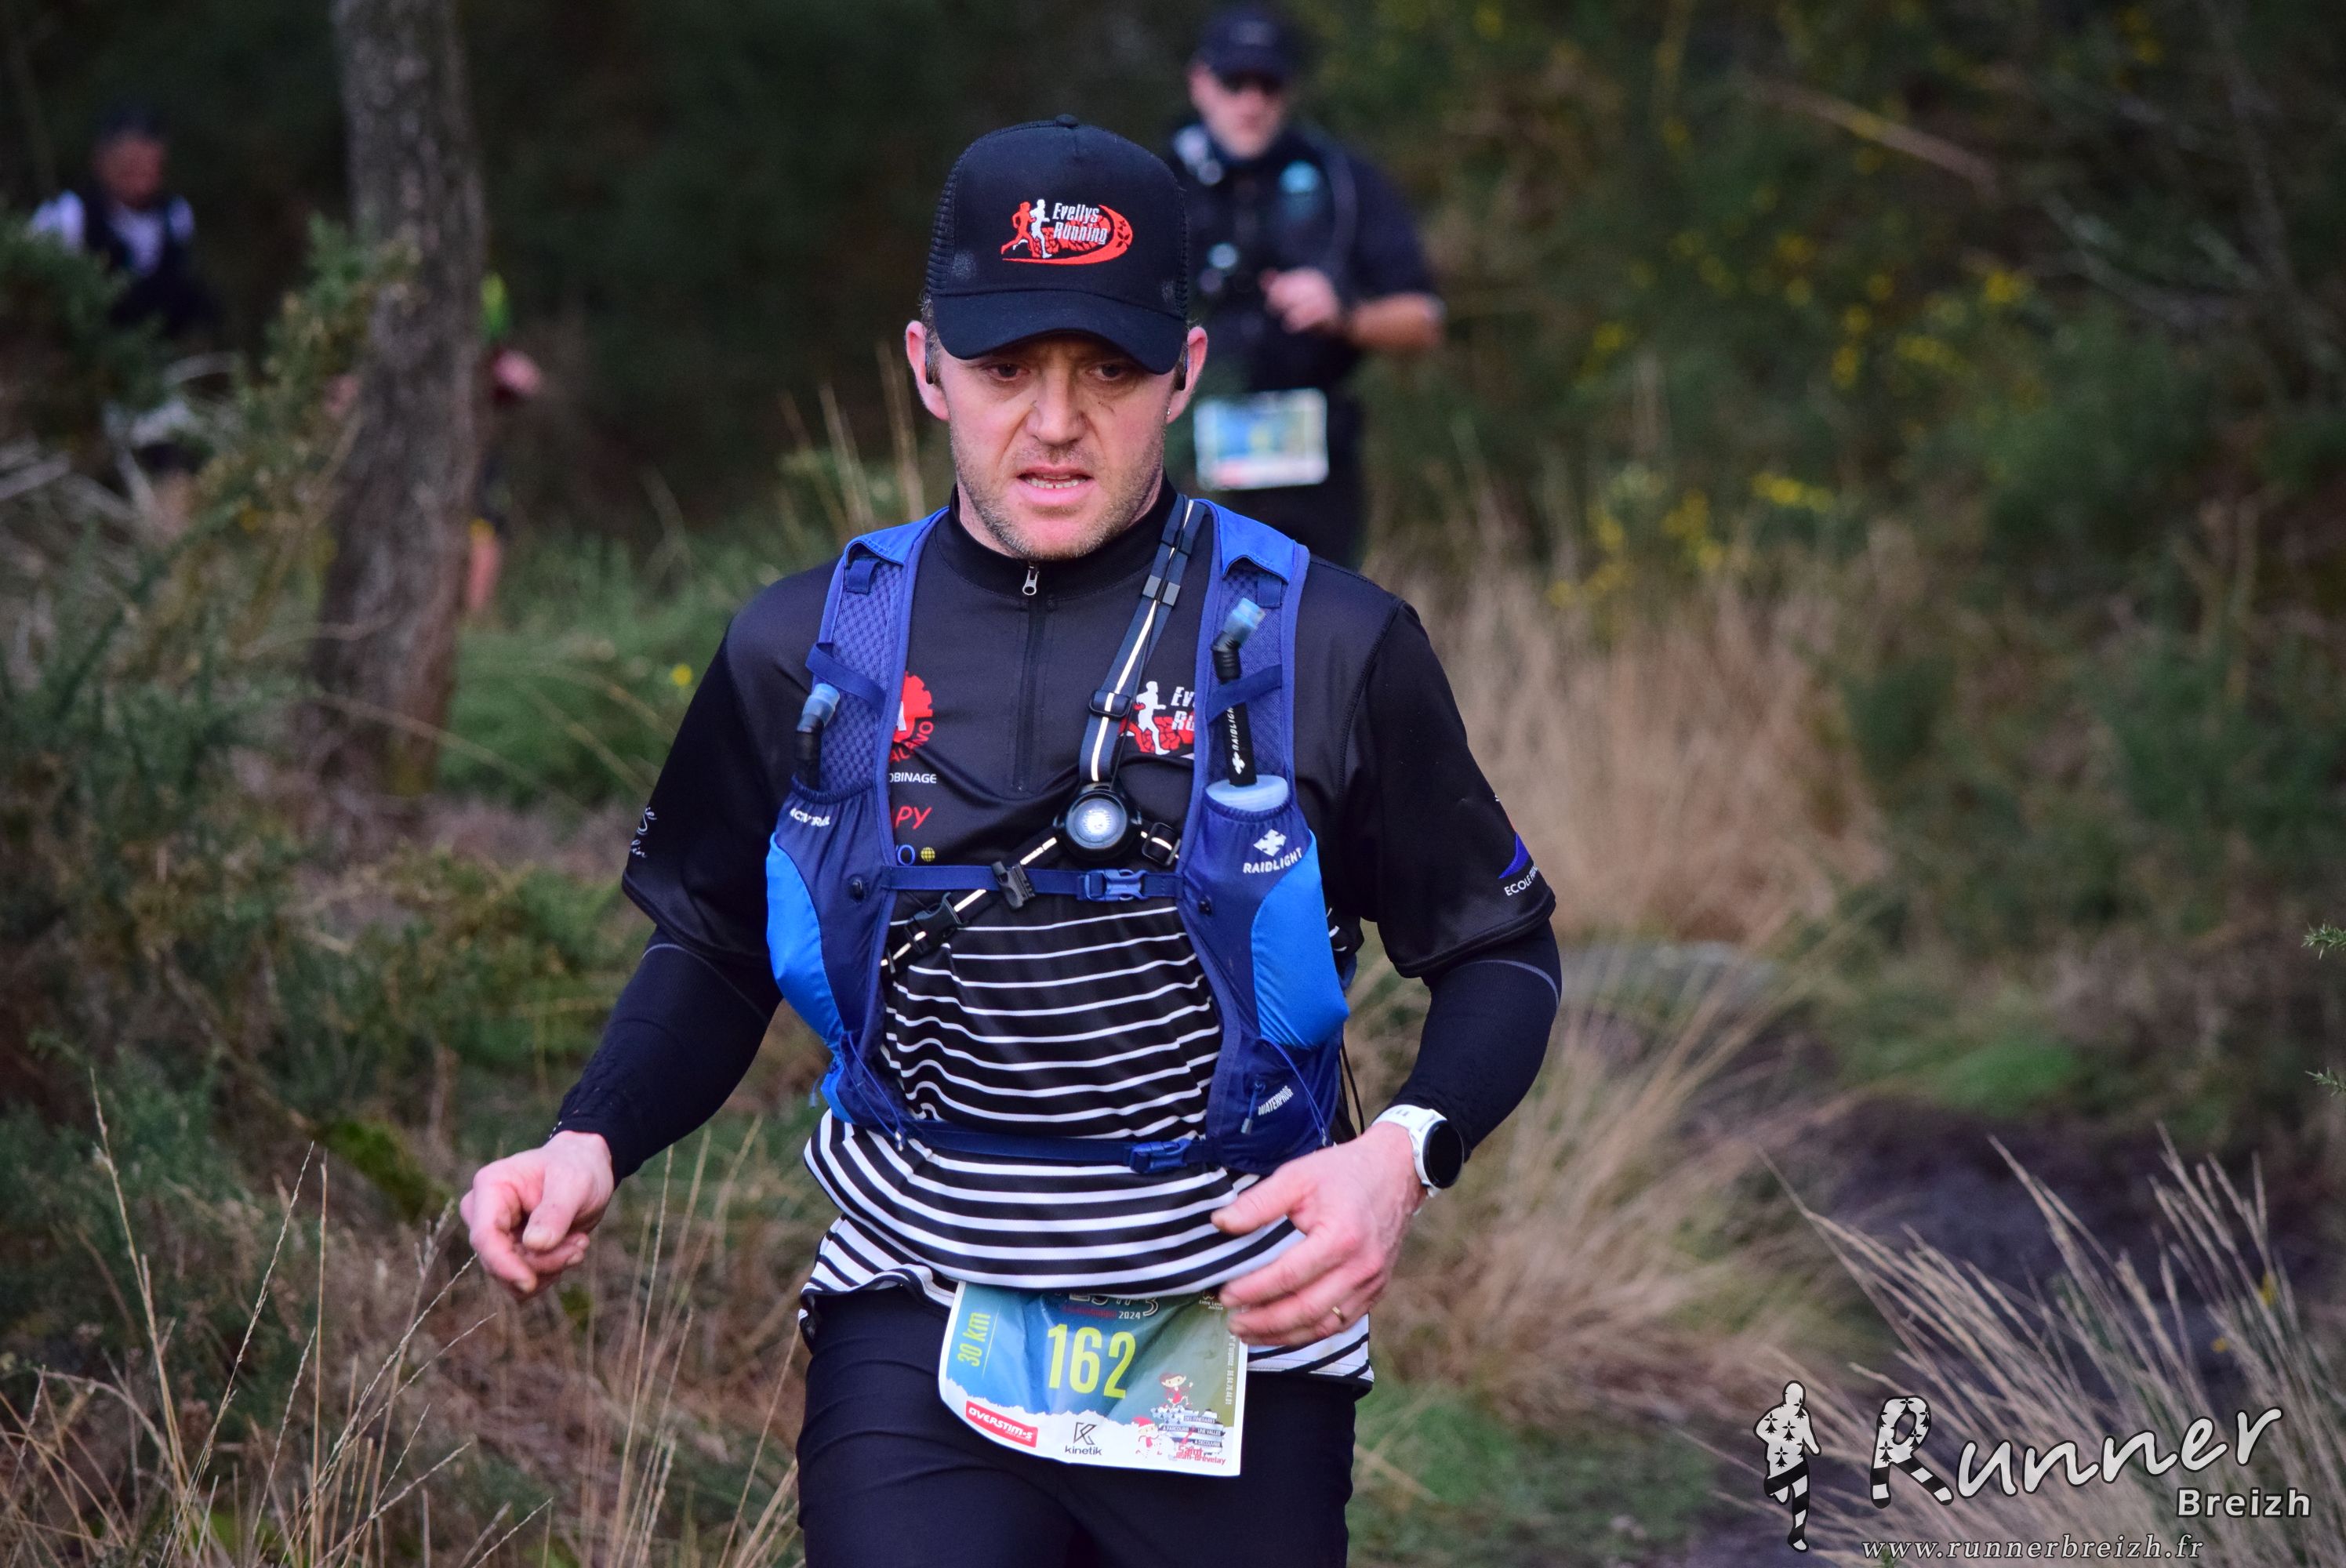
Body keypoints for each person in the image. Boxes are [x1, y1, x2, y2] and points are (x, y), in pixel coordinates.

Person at [460, 118, 1560, 1566]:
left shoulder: (1326, 642)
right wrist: (590, 1137)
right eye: (1004, 370)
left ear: (1183, 373)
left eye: (1107, 370)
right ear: (927, 369)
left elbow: (1499, 950)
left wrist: (1403, 1155)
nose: (1053, 422)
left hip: (1238, 1338)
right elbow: (717, 946)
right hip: (918, 1323)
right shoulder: (810, 649)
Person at [1166, 5, 1443, 568]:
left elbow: (1424, 319)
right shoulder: (1155, 183)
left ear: (1288, 89)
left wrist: (1346, 315)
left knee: (1312, 614)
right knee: (1186, 610)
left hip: (1315, 477)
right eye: (1234, 82)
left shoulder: (1341, 181)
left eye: (1267, 85)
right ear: (1201, 83)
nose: (1251, 103)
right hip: (1185, 465)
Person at [30, 103, 220, 533]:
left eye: (152, 165)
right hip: (85, 385)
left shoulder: (175, 218)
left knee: (177, 454)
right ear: (102, 161)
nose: (143, 176)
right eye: (130, 164)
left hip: (157, 382)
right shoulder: (68, 218)